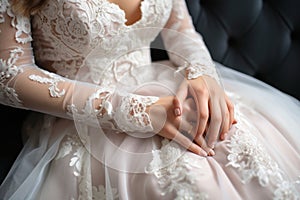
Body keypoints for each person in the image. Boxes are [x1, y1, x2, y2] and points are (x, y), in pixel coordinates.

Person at [0, 0, 299, 199]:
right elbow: (10, 75)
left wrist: (203, 73)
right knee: (191, 179)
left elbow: (182, 29)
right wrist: (132, 111)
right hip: (85, 114)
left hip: (167, 87)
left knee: (237, 143)